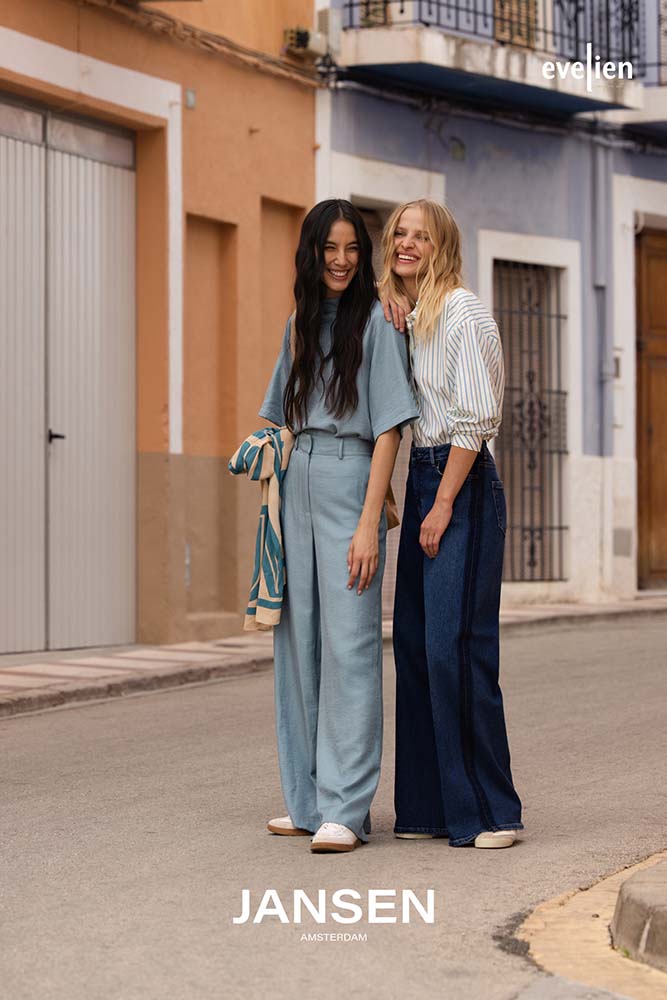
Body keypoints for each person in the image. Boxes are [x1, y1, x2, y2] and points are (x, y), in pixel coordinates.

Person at [258, 199, 418, 853]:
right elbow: (277, 417)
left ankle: (346, 809)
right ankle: (308, 801)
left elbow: (389, 430)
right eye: (330, 248)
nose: (342, 260)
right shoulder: (298, 324)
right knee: (297, 645)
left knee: (349, 647)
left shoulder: (380, 321)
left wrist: (367, 522)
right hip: (295, 480)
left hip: (352, 480)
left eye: (353, 248)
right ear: (312, 252)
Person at [379, 199, 524, 849]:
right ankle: (427, 809)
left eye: (421, 236)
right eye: (399, 233)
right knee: (414, 645)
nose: (406, 243)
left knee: (455, 649)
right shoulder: (408, 317)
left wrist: (440, 505)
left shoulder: (464, 311)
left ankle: (491, 813)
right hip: (421, 474)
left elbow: (476, 416)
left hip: (459, 483)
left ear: (443, 248)